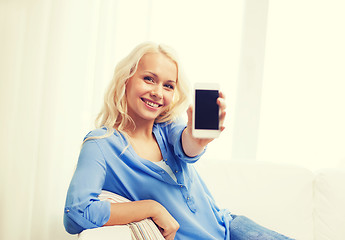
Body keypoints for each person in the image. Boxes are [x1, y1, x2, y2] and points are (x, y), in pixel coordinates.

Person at [63, 42, 294, 240]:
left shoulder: (167, 127)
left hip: (230, 227)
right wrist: (151, 208)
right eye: (149, 79)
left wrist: (197, 139)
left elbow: (186, 147)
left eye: (168, 85)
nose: (158, 92)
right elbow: (76, 212)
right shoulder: (101, 144)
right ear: (126, 80)